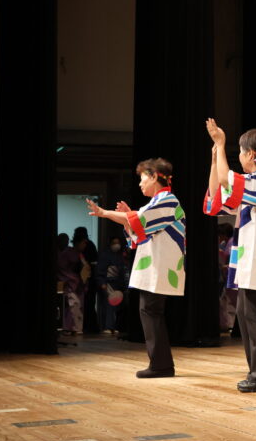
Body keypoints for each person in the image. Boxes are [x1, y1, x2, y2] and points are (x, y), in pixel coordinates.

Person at [204, 122, 256, 393]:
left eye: (240, 152)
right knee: (246, 313)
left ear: (251, 154)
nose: (239, 157)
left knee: (255, 314)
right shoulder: (253, 182)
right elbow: (217, 197)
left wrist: (220, 145)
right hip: (251, 256)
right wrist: (215, 159)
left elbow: (227, 180)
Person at [86, 158, 186, 378]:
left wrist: (106, 213)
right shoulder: (158, 202)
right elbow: (138, 225)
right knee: (150, 311)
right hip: (157, 265)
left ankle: (161, 365)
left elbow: (139, 221)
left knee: (150, 311)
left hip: (161, 265)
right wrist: (128, 217)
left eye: (143, 179)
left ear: (154, 176)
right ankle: (161, 363)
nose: (140, 184)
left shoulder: (167, 200)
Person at [95, 235, 129, 335]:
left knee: (116, 307)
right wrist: (102, 282)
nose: (116, 245)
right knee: (108, 305)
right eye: (114, 243)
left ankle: (113, 326)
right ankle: (107, 327)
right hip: (108, 282)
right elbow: (100, 270)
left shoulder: (120, 256)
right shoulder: (105, 255)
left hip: (117, 283)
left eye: (118, 243)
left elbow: (122, 271)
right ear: (110, 244)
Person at [56, 233, 86, 335]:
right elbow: (61, 268)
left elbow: (83, 268)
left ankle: (75, 328)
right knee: (71, 305)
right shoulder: (64, 253)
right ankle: (68, 328)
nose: (65, 242)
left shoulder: (75, 253)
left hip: (76, 282)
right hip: (67, 282)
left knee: (76, 305)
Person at [216, 223, 238, 333]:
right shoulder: (228, 243)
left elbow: (230, 261)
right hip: (229, 276)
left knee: (230, 301)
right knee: (227, 300)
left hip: (231, 276)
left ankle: (231, 325)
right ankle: (228, 324)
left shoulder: (231, 242)